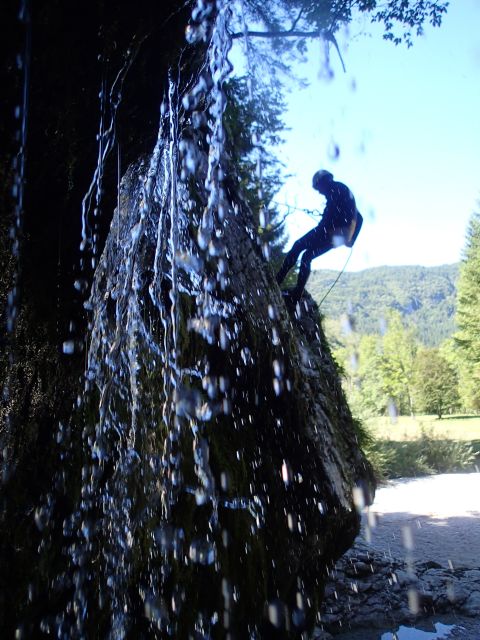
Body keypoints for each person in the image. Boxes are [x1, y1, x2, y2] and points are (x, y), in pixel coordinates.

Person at [276, 170, 362, 303]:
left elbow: (329, 219)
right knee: (307, 257)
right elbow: (359, 218)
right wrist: (351, 239)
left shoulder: (336, 189)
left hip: (328, 232)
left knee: (298, 246)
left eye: (318, 188)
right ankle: (296, 296)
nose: (319, 192)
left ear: (323, 182)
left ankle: (277, 281)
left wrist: (325, 226)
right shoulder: (342, 190)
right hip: (337, 238)